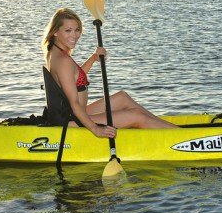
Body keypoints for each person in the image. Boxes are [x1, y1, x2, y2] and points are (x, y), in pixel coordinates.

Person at [42, 8, 177, 138]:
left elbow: (74, 77)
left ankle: (170, 127)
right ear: (55, 32)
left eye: (77, 30)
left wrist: (93, 58)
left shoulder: (55, 52)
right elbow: (74, 103)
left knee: (122, 97)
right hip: (73, 119)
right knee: (136, 116)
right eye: (68, 30)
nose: (74, 35)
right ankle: (178, 135)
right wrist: (96, 129)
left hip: (74, 113)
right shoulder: (63, 60)